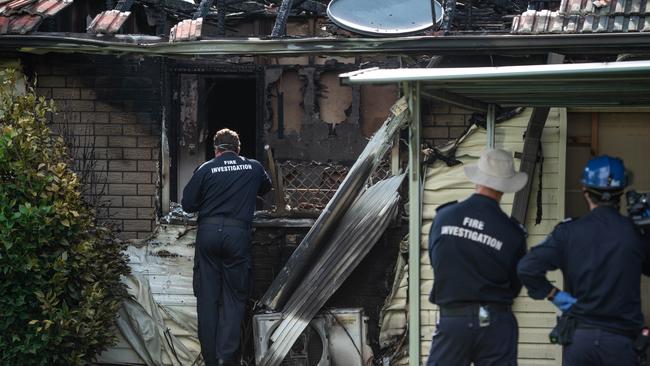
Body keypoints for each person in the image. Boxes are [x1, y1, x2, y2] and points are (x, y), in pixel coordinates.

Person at [517, 155, 650, 366]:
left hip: (580, 340)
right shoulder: (636, 233)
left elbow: (527, 268)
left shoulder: (568, 232)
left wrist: (555, 295)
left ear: (585, 191)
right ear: (621, 192)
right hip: (621, 344)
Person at [426, 148, 528, 366]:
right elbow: (515, 284)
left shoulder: (444, 217)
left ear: (478, 178)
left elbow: (437, 261)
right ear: (506, 186)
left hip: (453, 319)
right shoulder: (512, 232)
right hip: (495, 322)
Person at [182, 128, 272, 366]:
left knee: (208, 298)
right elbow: (266, 187)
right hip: (237, 235)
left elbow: (188, 204)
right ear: (238, 148)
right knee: (234, 297)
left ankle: (210, 360)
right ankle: (226, 358)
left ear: (216, 149)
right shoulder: (252, 167)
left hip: (208, 234)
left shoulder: (205, 168)